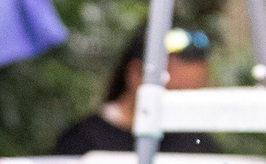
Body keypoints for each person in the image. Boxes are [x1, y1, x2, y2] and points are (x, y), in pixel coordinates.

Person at [51, 25, 221, 156]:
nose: (184, 105)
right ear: (136, 73)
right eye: (175, 92)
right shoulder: (84, 141)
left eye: (195, 95)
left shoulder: (198, 145)